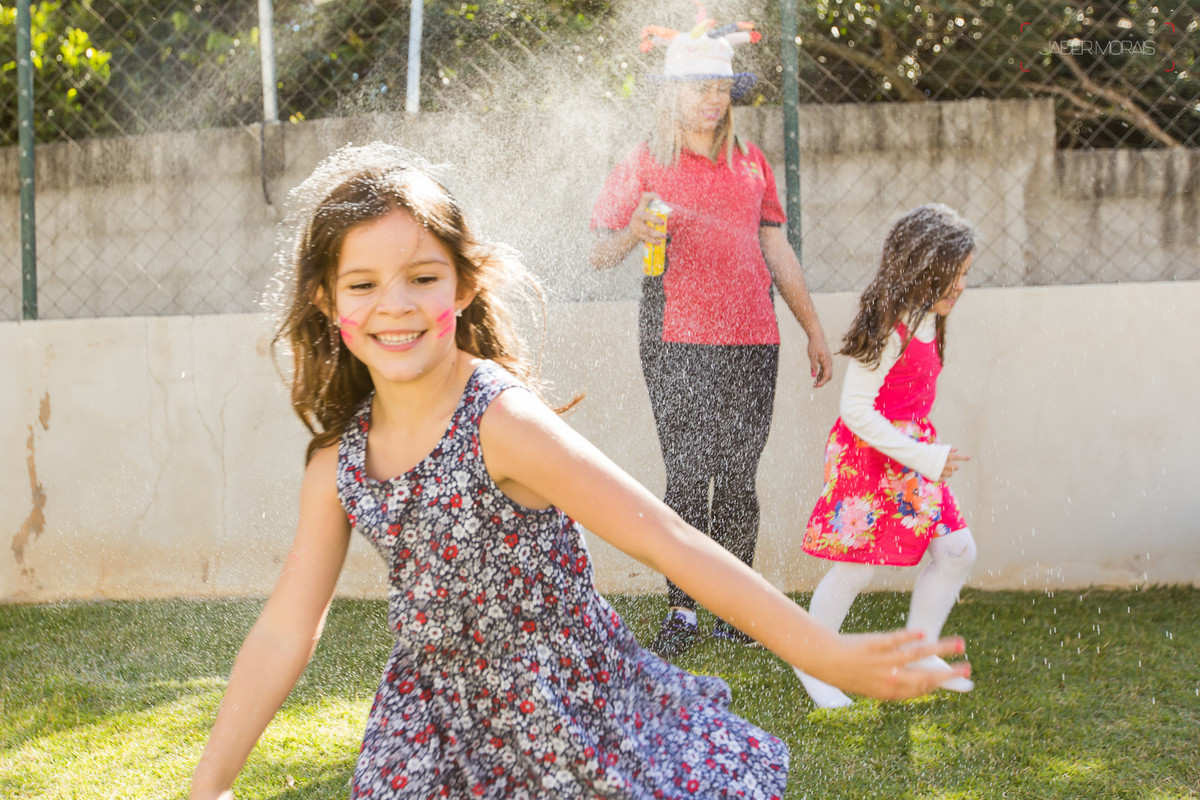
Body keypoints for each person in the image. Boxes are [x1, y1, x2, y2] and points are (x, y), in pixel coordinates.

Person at [187, 145, 970, 799]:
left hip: (566, 710)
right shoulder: (340, 462)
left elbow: (670, 541)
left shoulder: (501, 421)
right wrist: (209, 785)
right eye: (363, 285)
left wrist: (823, 652)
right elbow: (287, 626)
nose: (395, 304)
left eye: (422, 277)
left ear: (463, 284)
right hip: (431, 730)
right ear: (328, 302)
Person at [590, 10, 833, 657]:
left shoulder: (751, 162)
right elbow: (599, 252)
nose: (712, 99)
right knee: (688, 474)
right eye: (700, 87)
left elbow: (776, 248)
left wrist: (812, 328)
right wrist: (633, 232)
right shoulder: (644, 162)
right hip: (676, 338)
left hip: (754, 338)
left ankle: (732, 608)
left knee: (738, 476)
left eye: (721, 88)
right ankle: (683, 610)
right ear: (672, 92)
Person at [793, 203, 979, 709]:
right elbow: (855, 410)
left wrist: (922, 454)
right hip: (870, 456)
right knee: (856, 569)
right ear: (922, 267)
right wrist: (925, 457)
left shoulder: (928, 317)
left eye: (965, 274)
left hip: (910, 456)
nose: (961, 285)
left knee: (956, 551)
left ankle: (919, 652)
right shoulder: (891, 327)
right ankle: (811, 659)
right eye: (954, 274)